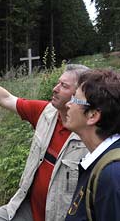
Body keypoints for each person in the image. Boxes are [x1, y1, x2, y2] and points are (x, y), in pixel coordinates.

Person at [0, 57, 89, 221]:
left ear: (79, 95)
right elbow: (6, 98)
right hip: (27, 209)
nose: (55, 88)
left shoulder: (89, 135)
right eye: (58, 83)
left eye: (64, 86)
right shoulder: (45, 113)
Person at [65, 69, 120, 221]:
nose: (68, 104)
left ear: (93, 115)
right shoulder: (98, 163)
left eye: (75, 99)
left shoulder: (111, 176)